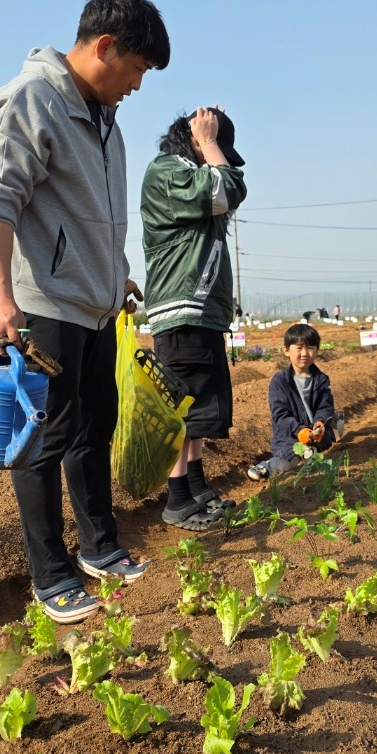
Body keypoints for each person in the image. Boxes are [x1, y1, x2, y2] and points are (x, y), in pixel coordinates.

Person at [0, 0, 170, 623]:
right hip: (44, 306)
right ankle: (49, 574)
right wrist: (1, 302)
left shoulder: (106, 120)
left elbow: (98, 214)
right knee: (43, 440)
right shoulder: (35, 100)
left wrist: (117, 274)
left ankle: (99, 547)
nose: (138, 84)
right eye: (137, 68)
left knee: (96, 426)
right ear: (105, 47)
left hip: (95, 305)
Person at [141, 106, 247, 531]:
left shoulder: (189, 173)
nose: (218, 157)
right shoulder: (169, 171)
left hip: (199, 312)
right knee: (182, 411)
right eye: (215, 148)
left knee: (200, 410)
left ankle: (197, 489)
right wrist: (207, 139)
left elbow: (225, 190)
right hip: (182, 309)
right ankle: (178, 500)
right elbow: (229, 188)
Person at [247, 323, 342, 480]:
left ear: (317, 350)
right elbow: (281, 414)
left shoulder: (321, 379)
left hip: (317, 437)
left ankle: (310, 452)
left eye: (310, 347)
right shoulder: (279, 382)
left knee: (318, 459)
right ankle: (267, 466)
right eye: (299, 348)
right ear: (286, 351)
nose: (305, 353)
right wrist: (299, 431)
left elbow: (325, 407)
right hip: (289, 437)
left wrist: (319, 425)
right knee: (288, 463)